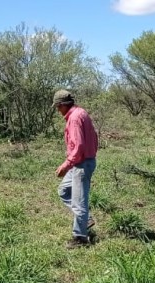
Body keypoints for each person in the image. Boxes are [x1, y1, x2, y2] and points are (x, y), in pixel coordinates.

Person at [53, 89, 98, 249]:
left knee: (79, 203)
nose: (58, 110)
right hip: (82, 161)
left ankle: (80, 238)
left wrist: (66, 165)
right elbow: (94, 138)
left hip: (81, 163)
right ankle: (85, 219)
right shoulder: (81, 113)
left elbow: (78, 146)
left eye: (58, 107)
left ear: (63, 105)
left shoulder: (74, 118)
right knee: (64, 191)